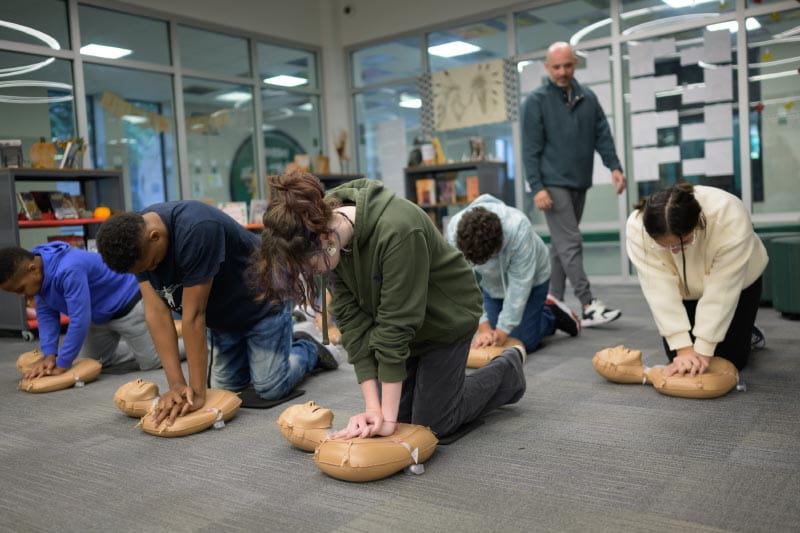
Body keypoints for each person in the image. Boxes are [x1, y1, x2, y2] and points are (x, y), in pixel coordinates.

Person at [255, 172, 526, 439]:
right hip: (402, 325)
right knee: (401, 415)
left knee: (433, 423)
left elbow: (396, 325)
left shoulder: (397, 229)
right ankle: (436, 386)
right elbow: (352, 322)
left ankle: (508, 370)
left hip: (446, 318)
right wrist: (374, 409)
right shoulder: (321, 229)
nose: (311, 274)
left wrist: (388, 421)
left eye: (308, 266)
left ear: (325, 241)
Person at [95, 200, 337, 425]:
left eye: (152, 264)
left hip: (265, 303)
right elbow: (157, 313)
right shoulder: (134, 239)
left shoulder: (197, 229)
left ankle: (307, 348)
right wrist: (177, 385)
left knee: (268, 387)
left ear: (155, 236)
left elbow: (193, 317)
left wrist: (198, 394)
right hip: (223, 317)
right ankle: (265, 351)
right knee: (226, 389)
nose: (152, 270)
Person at [521, 41, 625, 327]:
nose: (562, 71)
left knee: (561, 245)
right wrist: (537, 186)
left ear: (575, 63)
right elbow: (530, 148)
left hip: (579, 181)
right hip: (552, 183)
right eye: (556, 67)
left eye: (567, 65)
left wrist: (614, 166)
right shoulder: (536, 101)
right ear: (547, 67)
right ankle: (588, 303)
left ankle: (552, 298)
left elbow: (602, 134)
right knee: (570, 241)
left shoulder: (587, 97)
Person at [626, 183, 768, 376]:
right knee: (678, 357)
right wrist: (682, 347)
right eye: (664, 246)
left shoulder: (728, 215)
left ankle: (747, 330)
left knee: (730, 360)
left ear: (697, 223)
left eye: (682, 242)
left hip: (738, 284)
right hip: (685, 291)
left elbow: (722, 290)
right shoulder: (637, 228)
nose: (674, 251)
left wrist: (703, 350)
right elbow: (658, 290)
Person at [0, 243, 160, 379]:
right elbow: (46, 316)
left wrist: (62, 363)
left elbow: (80, 319)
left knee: (152, 362)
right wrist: (49, 355)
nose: (21, 295)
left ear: (32, 269)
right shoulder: (37, 272)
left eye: (20, 289)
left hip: (128, 307)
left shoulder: (69, 268)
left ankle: (168, 342)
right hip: (98, 318)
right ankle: (145, 344)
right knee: (93, 362)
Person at [445, 194, 580, 353]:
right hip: (492, 284)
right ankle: (533, 316)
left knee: (523, 342)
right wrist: (483, 327)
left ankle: (551, 314)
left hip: (533, 279)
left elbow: (520, 285)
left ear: (500, 244)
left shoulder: (518, 228)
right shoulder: (455, 231)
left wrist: (502, 332)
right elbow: (463, 284)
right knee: (492, 336)